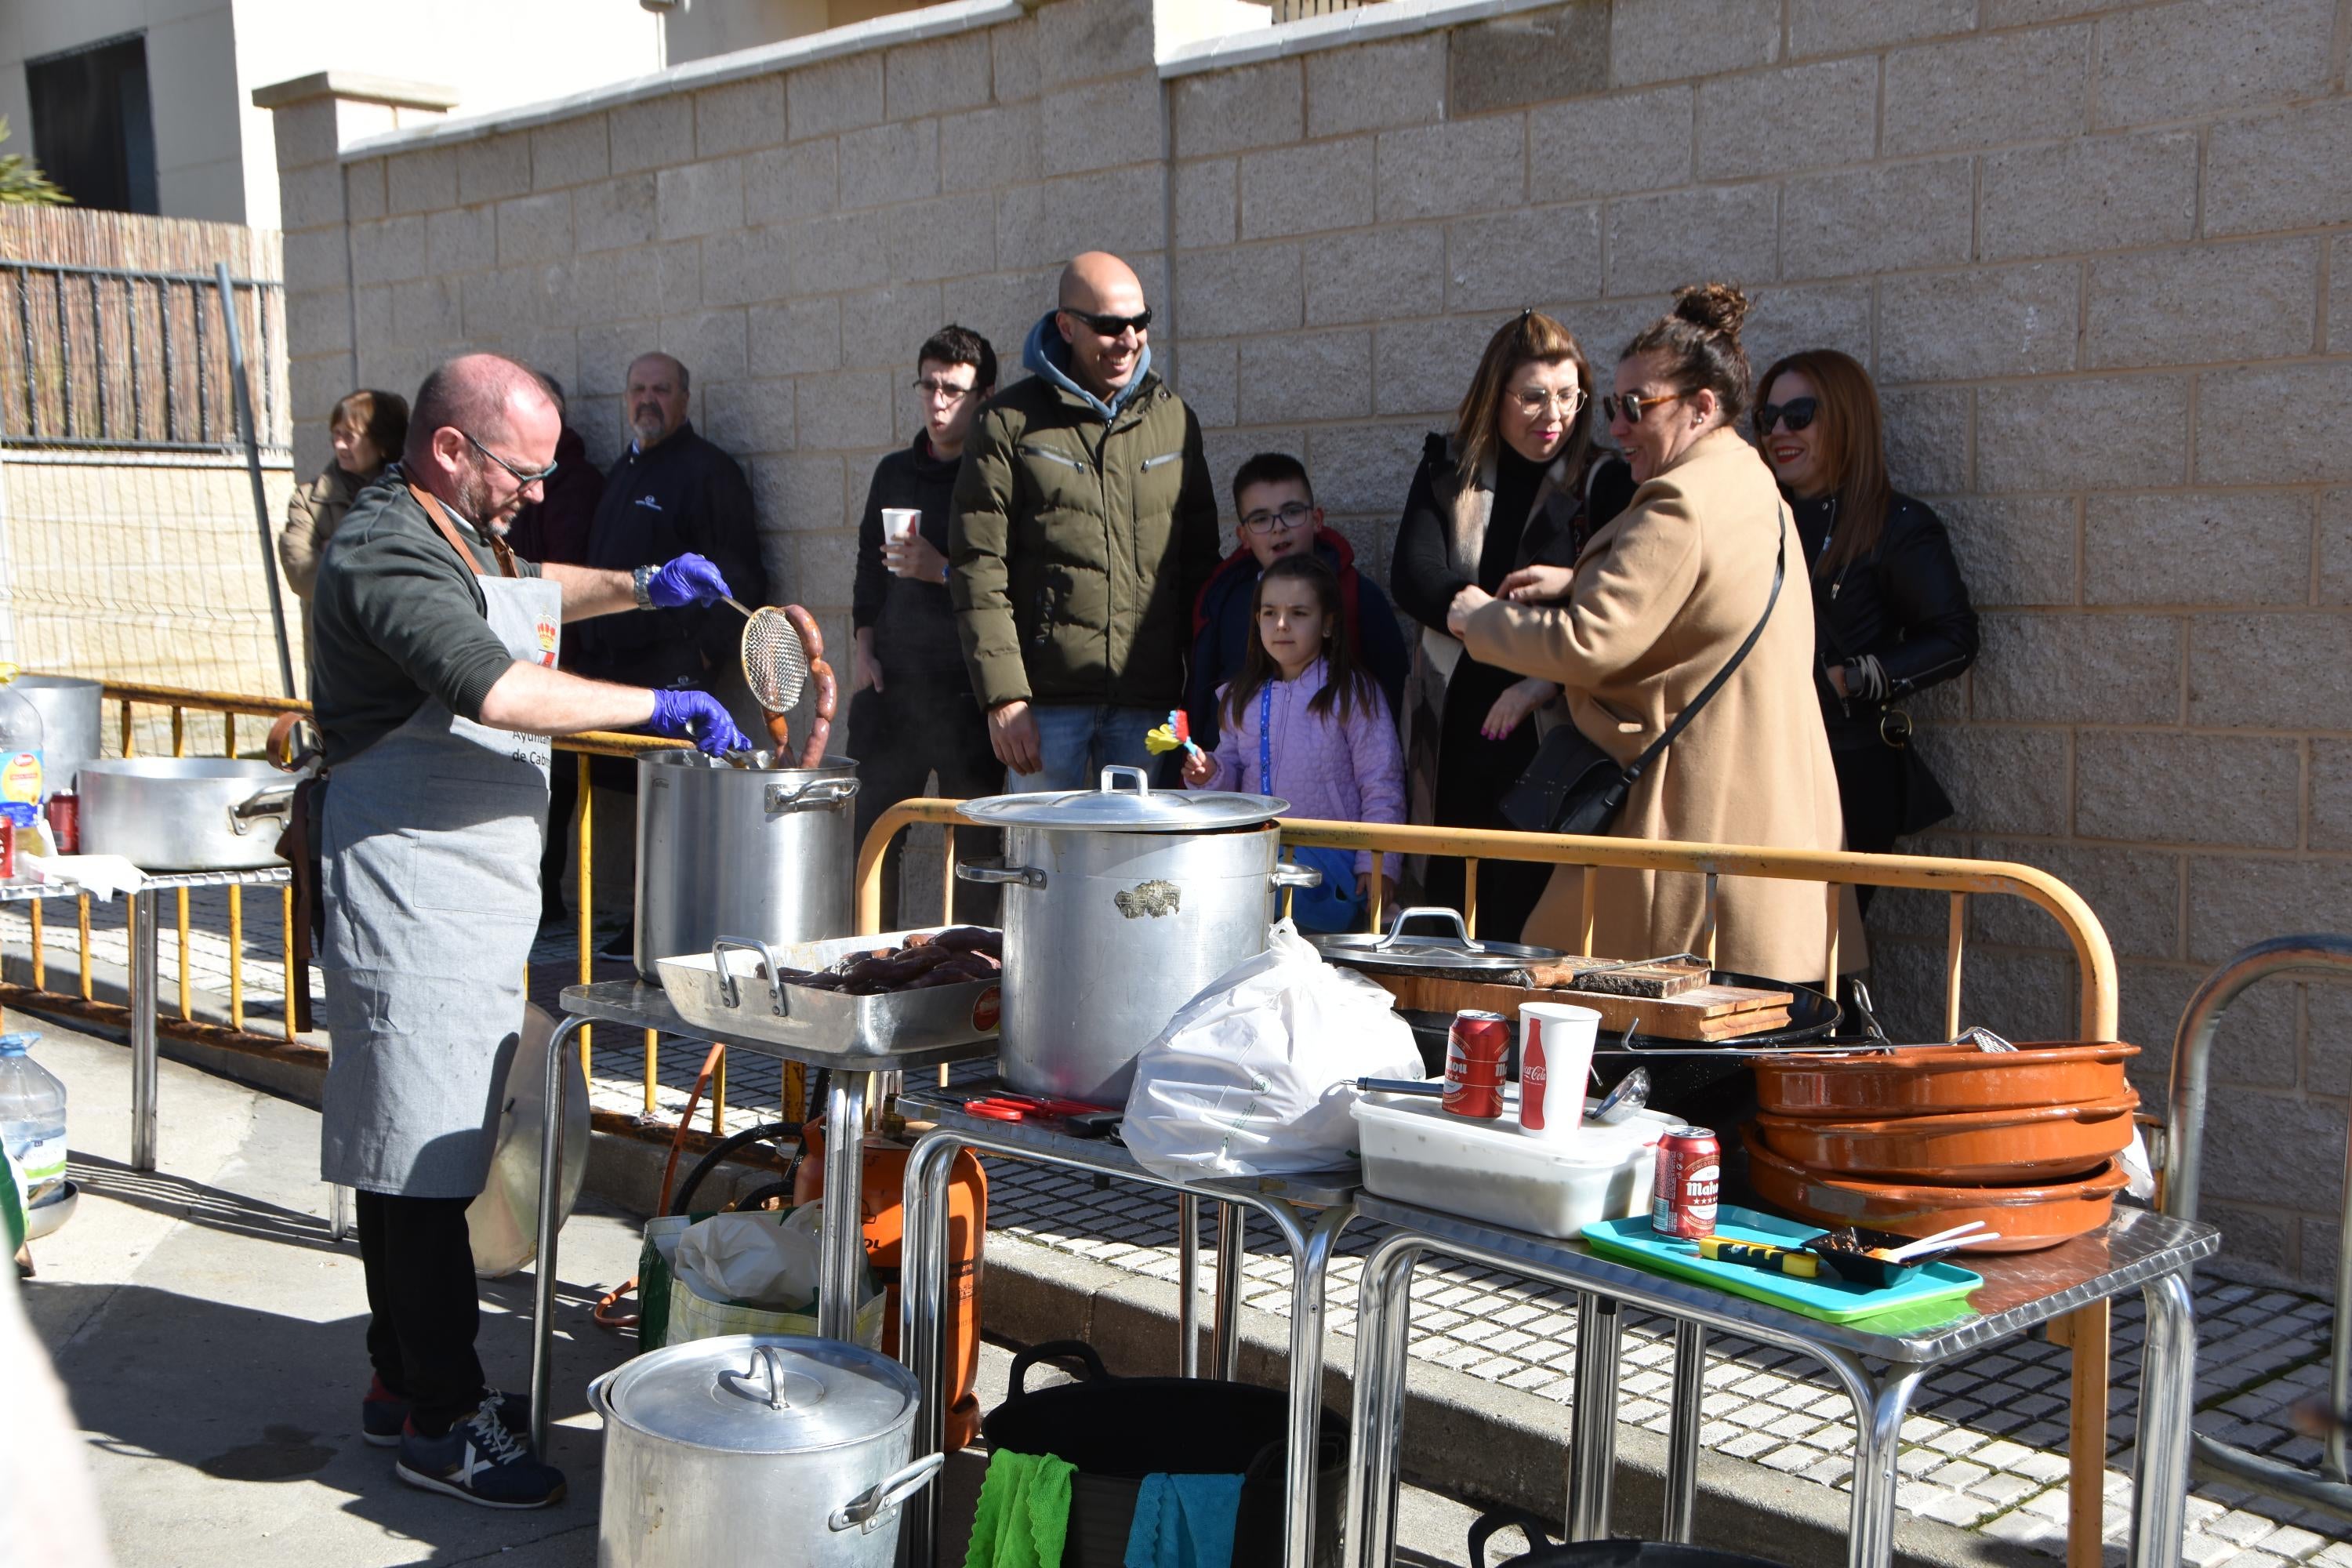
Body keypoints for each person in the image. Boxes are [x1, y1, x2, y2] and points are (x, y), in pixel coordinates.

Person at [309, 353, 747, 1510]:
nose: (537, 494)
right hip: (407, 880)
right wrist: (661, 711)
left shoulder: (459, 530)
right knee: (418, 1159)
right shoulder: (383, 545)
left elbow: (533, 581)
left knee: (420, 1148)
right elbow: (494, 684)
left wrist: (646, 583)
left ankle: (401, 1381)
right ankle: (444, 1422)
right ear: (452, 450)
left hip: (460, 886)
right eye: (523, 471)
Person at [1447, 285, 1852, 982]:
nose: (1619, 426)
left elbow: (1590, 643)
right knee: (1741, 1036)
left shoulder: (1675, 502)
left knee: (1608, 1033)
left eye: (1637, 407)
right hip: (1766, 827)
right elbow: (1704, 602)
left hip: (1684, 827)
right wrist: (1578, 577)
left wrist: (1480, 620)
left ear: (1701, 407)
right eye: (1614, 406)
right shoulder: (1751, 483)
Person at [1388, 311, 1628, 942]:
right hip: (1453, 725)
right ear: (1495, 395)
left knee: (1526, 917)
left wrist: (1510, 637)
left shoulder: (1605, 479)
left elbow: (1623, 597)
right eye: (1533, 397)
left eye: (1569, 396)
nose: (1553, 416)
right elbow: (1414, 574)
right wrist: (1487, 618)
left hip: (1549, 724)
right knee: (1447, 910)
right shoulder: (1450, 467)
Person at [950, 251, 1220, 791]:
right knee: (1046, 870)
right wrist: (1004, 696)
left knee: (1141, 873)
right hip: (1044, 711)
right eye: (1109, 326)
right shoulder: (1006, 423)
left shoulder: (1173, 419)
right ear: (1066, 326)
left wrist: (1201, 700)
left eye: (1140, 322)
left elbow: (1199, 571)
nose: (1129, 339)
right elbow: (979, 569)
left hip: (1151, 708)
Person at [567, 351, 768, 951]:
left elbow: (744, 578)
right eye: (637, 390)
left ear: (684, 399)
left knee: (673, 803)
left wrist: (705, 658)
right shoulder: (622, 472)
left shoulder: (710, 473)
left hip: (672, 676)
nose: (647, 400)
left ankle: (671, 926)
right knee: (630, 805)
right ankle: (639, 920)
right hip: (615, 672)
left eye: (660, 389)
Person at [1755, 349, 1977, 884]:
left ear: (1845, 419)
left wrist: (1850, 680)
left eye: (1800, 415)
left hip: (1845, 768)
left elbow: (1955, 638)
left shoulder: (1896, 524)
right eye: (1768, 418)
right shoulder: (1750, 517)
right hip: (1759, 763)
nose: (1779, 431)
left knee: (1825, 950)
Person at [849, 325, 1005, 927]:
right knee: (872, 835)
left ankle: (969, 978)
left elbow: (1011, 579)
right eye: (929, 386)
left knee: (976, 849)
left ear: (984, 396)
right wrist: (864, 649)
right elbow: (869, 563)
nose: (938, 403)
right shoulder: (894, 472)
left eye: (954, 392)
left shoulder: (995, 473)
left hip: (968, 687)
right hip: (893, 682)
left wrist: (941, 570)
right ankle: (867, 962)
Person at [1183, 554, 1403, 931]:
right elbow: (1233, 778)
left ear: (1328, 623)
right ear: (1256, 621)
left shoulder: (1353, 693)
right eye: (1269, 612)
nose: (1281, 625)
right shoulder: (1240, 696)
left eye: (1299, 613)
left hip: (1333, 874)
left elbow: (1382, 784)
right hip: (1255, 869)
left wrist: (1377, 863)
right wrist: (1210, 774)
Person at [1186, 452, 1410, 753]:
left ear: (1317, 520)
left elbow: (1391, 695)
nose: (1279, 527)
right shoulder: (1223, 602)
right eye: (1261, 518)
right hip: (1239, 784)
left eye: (1291, 512)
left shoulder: (1355, 594)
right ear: (1244, 536)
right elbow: (1204, 702)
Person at [505, 375, 609, 931]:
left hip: (551, 650)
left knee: (554, 780)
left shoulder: (574, 483)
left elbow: (559, 573)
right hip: (508, 648)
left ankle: (545, 894)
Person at [280, 389, 408, 604]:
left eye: (349, 436)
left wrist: (337, 554)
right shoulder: (308, 499)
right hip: (333, 636)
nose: (339, 445)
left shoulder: (413, 495)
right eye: (336, 434)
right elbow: (301, 570)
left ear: (382, 442)